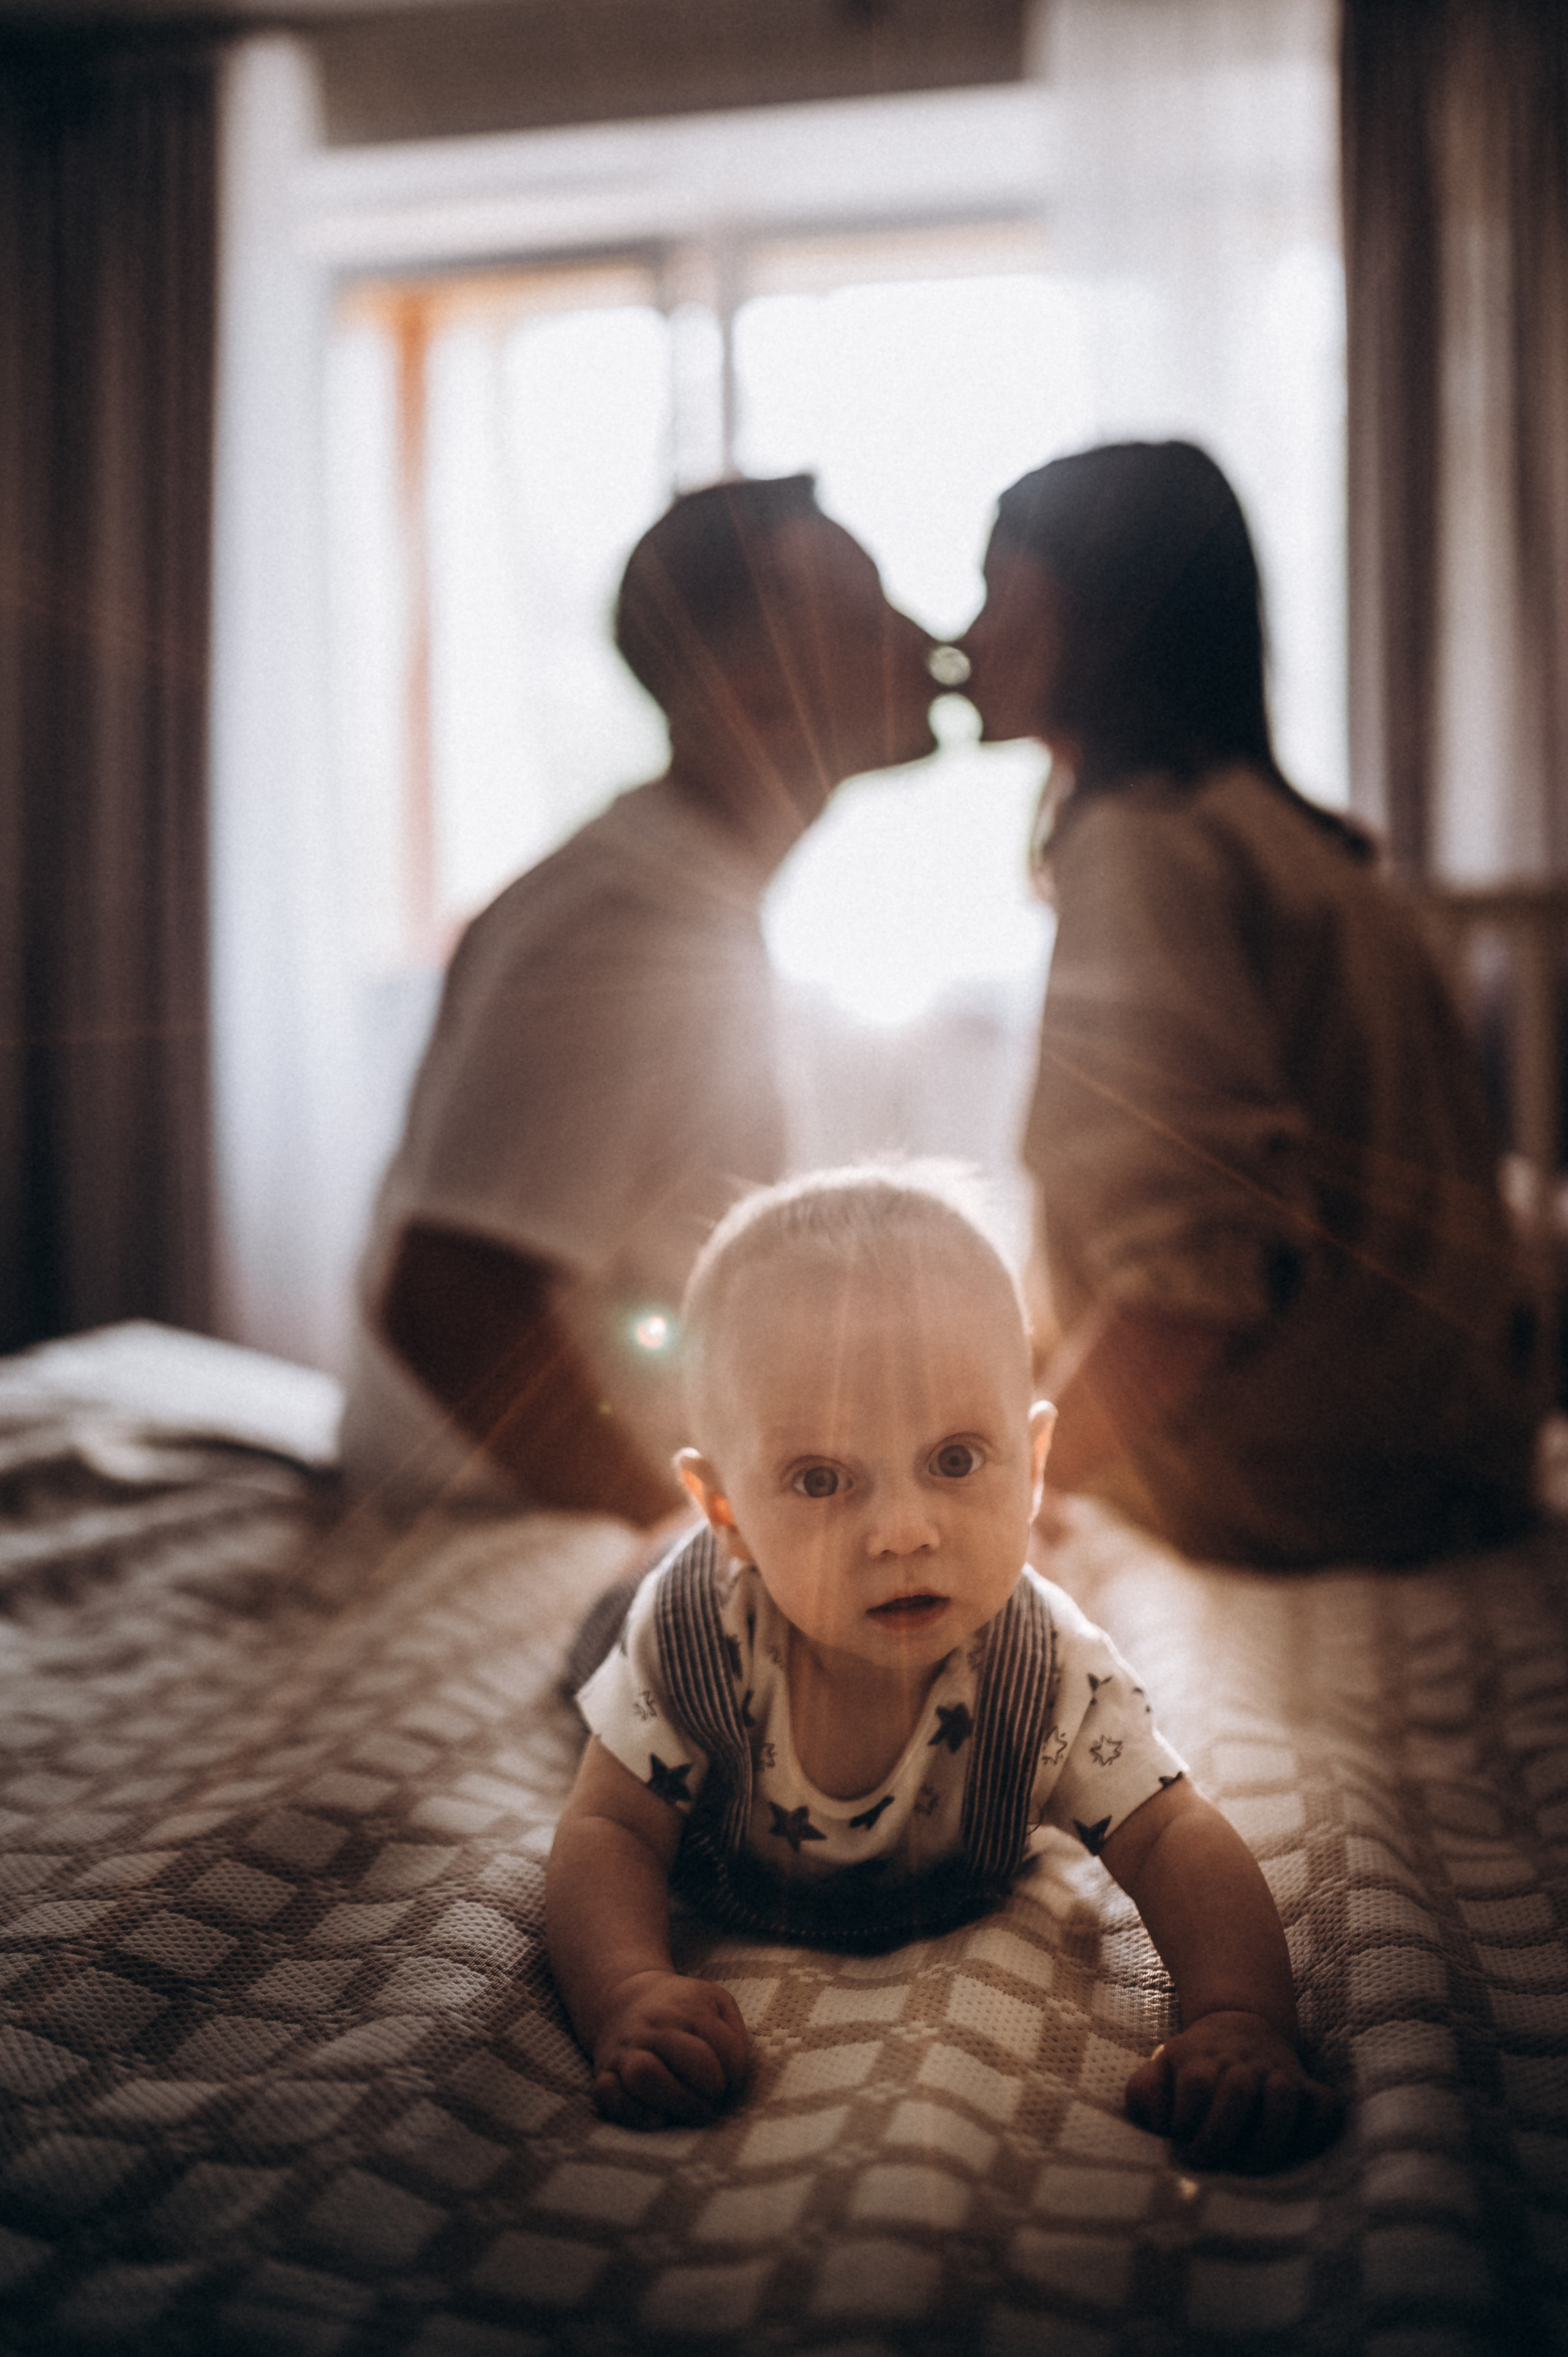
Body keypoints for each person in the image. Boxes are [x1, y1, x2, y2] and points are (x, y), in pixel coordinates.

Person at [548, 1165, 1342, 2171]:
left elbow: (1172, 1832)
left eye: (957, 1460)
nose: (905, 1531)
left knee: (1017, 1584)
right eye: (821, 1479)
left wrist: (1240, 2018)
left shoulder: (1044, 1670)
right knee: (618, 1618)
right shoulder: (692, 1642)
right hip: (676, 1606)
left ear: (1035, 1463)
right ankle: (667, 1534)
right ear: (730, 1512)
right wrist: (627, 1991)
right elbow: (609, 1829)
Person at [959, 440, 1542, 1567]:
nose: (970, 634)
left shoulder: (1141, 845)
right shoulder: (1293, 841)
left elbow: (1188, 1286)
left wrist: (1007, 1494)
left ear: (1096, 611)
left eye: (996, 588)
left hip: (1300, 1485)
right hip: (1452, 1455)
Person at [339, 477, 938, 1522]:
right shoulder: (625, 921)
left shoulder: (688, 892)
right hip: (501, 1515)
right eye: (864, 620)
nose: (927, 642)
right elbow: (447, 1298)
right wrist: (688, 1533)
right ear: (749, 696)